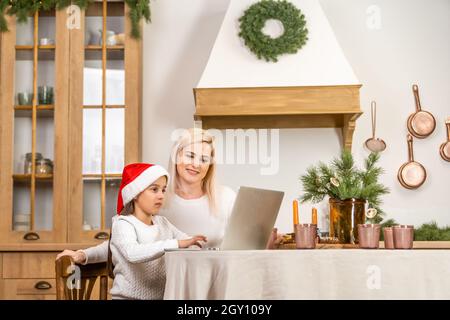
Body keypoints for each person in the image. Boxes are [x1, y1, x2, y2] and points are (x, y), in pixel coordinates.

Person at [57, 128, 237, 264]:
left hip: (215, 282)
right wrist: (83, 254)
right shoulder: (155, 199)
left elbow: (243, 244)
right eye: (190, 155)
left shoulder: (227, 198)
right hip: (169, 289)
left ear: (210, 166)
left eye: (204, 159)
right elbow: (123, 243)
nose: (196, 164)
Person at [109, 162, 206, 300]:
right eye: (154, 189)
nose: (161, 195)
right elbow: (132, 253)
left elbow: (187, 241)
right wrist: (177, 244)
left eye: (163, 190)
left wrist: (196, 245)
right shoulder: (124, 224)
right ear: (135, 193)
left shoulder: (163, 223)